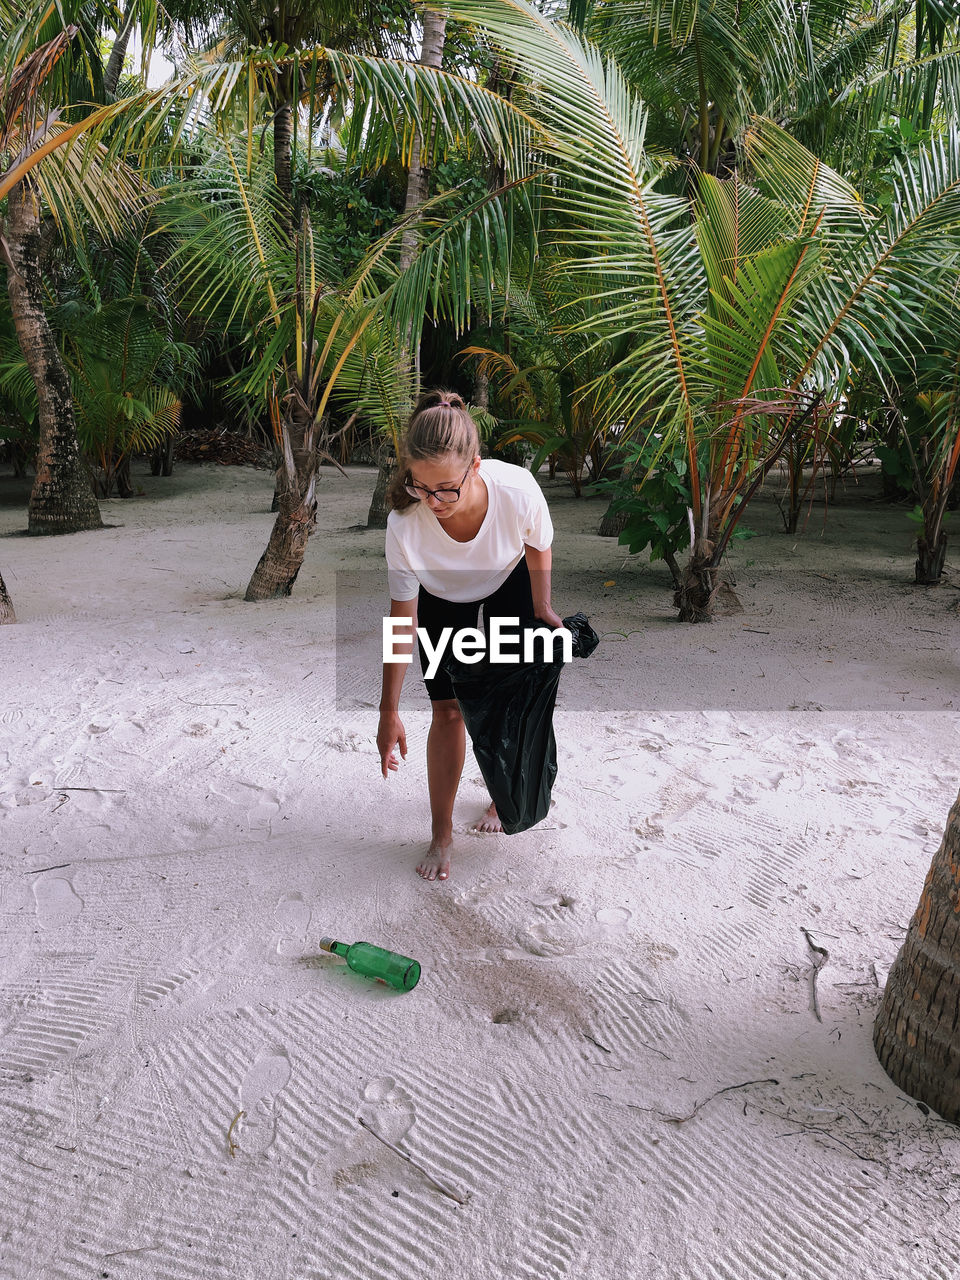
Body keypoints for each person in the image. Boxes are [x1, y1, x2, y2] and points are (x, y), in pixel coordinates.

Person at [377, 389, 564, 882]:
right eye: (422, 488)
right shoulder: (404, 523)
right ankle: (441, 834)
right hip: (441, 596)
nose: (434, 502)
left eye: (446, 489)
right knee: (450, 708)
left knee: (506, 698)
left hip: (507, 580)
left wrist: (540, 605)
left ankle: (500, 799)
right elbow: (402, 617)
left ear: (476, 467)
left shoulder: (518, 490)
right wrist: (389, 710)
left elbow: (538, 545)